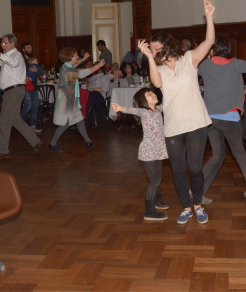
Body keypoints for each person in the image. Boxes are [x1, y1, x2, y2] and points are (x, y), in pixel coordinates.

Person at [144, 0, 215, 224]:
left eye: (156, 48)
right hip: (173, 126)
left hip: (196, 122)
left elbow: (209, 41)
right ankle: (186, 206)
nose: (154, 51)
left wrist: (209, 16)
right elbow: (155, 83)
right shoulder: (160, 70)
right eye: (152, 49)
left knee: (194, 168)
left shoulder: (189, 60)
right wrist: (148, 57)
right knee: (177, 171)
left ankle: (198, 205)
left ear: (167, 45)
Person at [198, 32, 246, 204]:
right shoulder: (235, 64)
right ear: (227, 49)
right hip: (229, 118)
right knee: (240, 154)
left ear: (212, 50)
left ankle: (198, 191)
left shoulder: (204, 66)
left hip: (210, 120)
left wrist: (206, 52)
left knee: (216, 155)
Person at [111, 88, 169, 220]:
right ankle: (149, 211)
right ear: (143, 101)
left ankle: (155, 200)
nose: (154, 94)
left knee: (158, 176)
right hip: (148, 151)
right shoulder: (144, 111)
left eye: (153, 93)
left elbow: (168, 102)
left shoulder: (159, 109)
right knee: (154, 180)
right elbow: (133, 110)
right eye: (149, 94)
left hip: (158, 149)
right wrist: (120, 108)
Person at [48, 47, 104, 153]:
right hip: (66, 101)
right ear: (70, 57)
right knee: (66, 123)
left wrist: (83, 58)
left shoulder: (66, 65)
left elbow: (76, 63)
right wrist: (98, 66)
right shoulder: (68, 70)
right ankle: (52, 143)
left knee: (79, 119)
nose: (77, 56)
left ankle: (88, 141)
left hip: (71, 100)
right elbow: (82, 74)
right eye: (76, 55)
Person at [21, 57, 44, 133]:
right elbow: (41, 74)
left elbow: (39, 74)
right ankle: (20, 123)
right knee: (28, 106)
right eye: (36, 60)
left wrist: (37, 71)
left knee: (34, 107)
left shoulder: (32, 67)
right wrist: (39, 72)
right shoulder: (29, 66)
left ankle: (32, 126)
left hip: (33, 88)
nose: (37, 62)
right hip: (27, 88)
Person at [85, 61, 110, 126]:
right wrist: (87, 84)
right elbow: (88, 88)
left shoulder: (103, 77)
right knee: (81, 93)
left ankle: (86, 120)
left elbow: (106, 89)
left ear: (100, 69)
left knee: (92, 94)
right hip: (91, 95)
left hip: (99, 96)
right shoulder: (91, 78)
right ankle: (83, 120)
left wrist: (93, 89)